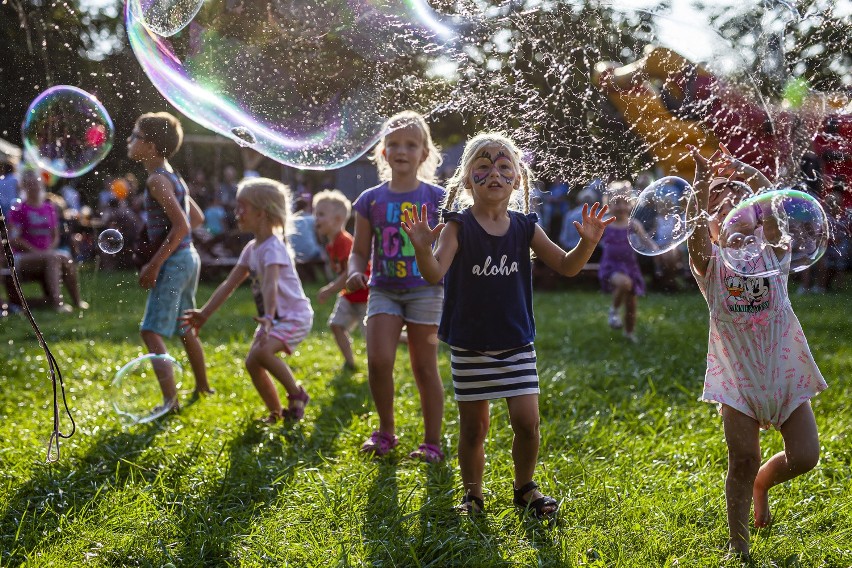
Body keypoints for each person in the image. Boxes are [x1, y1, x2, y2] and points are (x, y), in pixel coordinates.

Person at [402, 132, 613, 516]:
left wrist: (587, 244)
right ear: (468, 180)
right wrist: (420, 247)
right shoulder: (458, 227)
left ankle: (524, 487)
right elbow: (434, 273)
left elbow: (567, 266)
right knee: (473, 429)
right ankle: (473, 494)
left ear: (517, 178)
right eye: (483, 167)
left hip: (516, 342)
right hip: (470, 344)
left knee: (527, 423)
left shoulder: (525, 226)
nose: (494, 173)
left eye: (504, 166)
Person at [687, 143, 828, 559]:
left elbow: (772, 206)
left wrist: (745, 172)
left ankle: (763, 484)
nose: (731, 210)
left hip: (785, 374)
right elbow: (694, 232)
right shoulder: (711, 266)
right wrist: (699, 184)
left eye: (740, 205)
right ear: (712, 229)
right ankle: (738, 543)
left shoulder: (774, 255)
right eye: (720, 208)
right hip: (738, 380)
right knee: (743, 458)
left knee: (806, 456)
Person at [345, 110, 446, 462]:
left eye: (411, 144)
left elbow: (448, 249)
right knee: (378, 359)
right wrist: (354, 271)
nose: (401, 151)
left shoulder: (437, 198)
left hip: (426, 291)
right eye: (393, 144)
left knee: (424, 366)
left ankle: (432, 441)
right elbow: (358, 251)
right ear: (383, 152)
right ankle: (386, 431)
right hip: (383, 289)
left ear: (424, 153)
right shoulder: (370, 200)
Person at [181, 178, 314, 423]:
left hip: (292, 316)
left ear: (261, 213)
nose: (236, 213)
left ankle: (297, 394)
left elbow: (270, 284)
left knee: (262, 354)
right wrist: (205, 313)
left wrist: (269, 317)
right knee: (253, 363)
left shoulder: (273, 247)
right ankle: (275, 413)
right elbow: (229, 284)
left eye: (242, 207)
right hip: (272, 318)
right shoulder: (252, 248)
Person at [127, 112, 213, 416]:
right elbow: (197, 218)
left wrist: (153, 265)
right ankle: (203, 386)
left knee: (151, 331)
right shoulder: (172, 176)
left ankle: (170, 402)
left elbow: (183, 226)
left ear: (150, 146)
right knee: (184, 325)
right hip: (189, 259)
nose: (129, 140)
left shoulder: (156, 180)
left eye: (135, 136)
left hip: (176, 261)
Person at [6, 165, 87, 312]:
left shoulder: (49, 208)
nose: (33, 187)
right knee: (54, 258)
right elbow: (14, 239)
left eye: (35, 182)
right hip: (22, 256)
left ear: (41, 184)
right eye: (29, 184)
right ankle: (58, 304)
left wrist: (49, 250)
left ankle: (77, 302)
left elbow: (55, 235)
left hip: (47, 254)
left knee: (65, 257)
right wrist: (38, 252)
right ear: (23, 187)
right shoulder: (19, 210)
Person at [313, 189, 368, 371]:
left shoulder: (344, 242)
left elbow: (348, 273)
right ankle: (350, 363)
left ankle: (399, 342)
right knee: (336, 325)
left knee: (371, 337)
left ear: (337, 219)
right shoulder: (331, 243)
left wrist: (330, 289)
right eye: (315, 214)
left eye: (321, 214)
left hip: (365, 294)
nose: (316, 219)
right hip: (349, 295)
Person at [599, 180, 651, 342]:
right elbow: (592, 240)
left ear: (631, 204)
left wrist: (658, 250)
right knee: (624, 284)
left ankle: (629, 332)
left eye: (625, 202)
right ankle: (613, 311)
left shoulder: (633, 224)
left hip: (630, 266)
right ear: (608, 204)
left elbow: (646, 240)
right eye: (616, 203)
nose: (621, 206)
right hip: (611, 266)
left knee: (631, 304)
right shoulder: (606, 224)